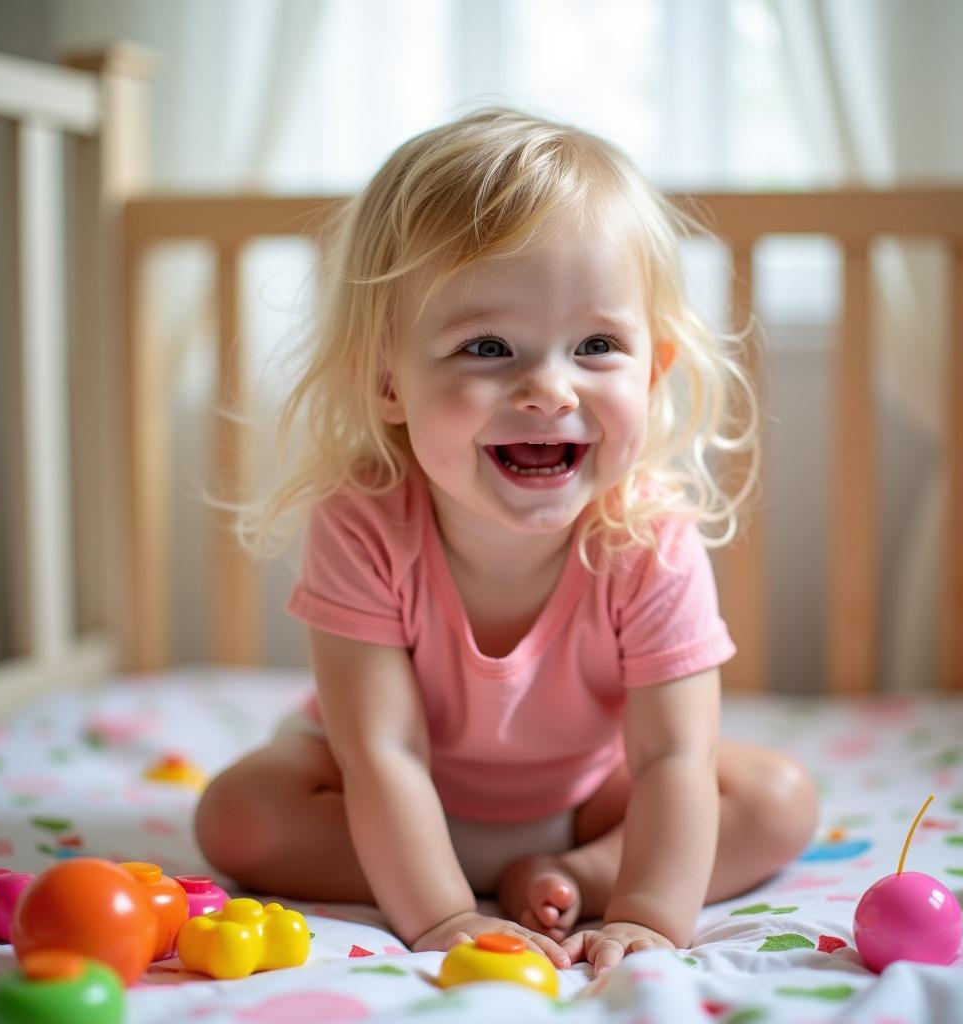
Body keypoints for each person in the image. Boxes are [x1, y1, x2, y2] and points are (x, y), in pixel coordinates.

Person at [195, 107, 818, 976]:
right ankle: (467, 874)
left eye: (598, 345)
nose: (549, 387)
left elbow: (673, 753)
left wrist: (642, 913)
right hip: (381, 797)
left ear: (655, 370)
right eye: (488, 346)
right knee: (238, 813)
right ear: (388, 380)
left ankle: (569, 877)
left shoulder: (650, 541)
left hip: (590, 800)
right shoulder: (362, 521)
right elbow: (383, 750)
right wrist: (445, 916)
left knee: (775, 800)